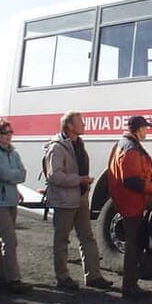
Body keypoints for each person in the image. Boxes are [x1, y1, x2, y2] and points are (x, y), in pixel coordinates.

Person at [45, 111, 113, 292]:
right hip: (65, 201)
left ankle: (93, 276)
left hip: (80, 198)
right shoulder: (57, 147)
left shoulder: (79, 144)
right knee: (62, 240)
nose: (84, 124)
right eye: (80, 122)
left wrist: (84, 186)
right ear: (69, 126)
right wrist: (79, 180)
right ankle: (63, 277)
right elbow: (54, 175)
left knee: (87, 237)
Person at [107, 115, 152, 299]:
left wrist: (151, 175)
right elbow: (131, 180)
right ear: (138, 129)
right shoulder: (131, 148)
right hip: (132, 203)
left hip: (130, 201)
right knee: (133, 245)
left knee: (135, 243)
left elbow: (133, 173)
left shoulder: (125, 145)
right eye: (146, 128)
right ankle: (129, 287)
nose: (147, 131)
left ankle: (131, 285)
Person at [0, 118, 31, 294]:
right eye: (6, 133)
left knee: (4, 241)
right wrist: (14, 176)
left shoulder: (13, 153)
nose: (10, 136)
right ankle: (14, 279)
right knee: (10, 240)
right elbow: (4, 175)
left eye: (11, 132)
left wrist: (14, 177)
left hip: (10, 201)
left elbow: (23, 174)